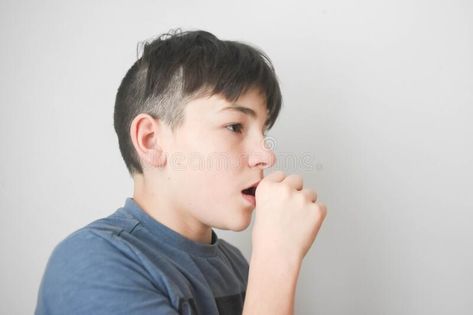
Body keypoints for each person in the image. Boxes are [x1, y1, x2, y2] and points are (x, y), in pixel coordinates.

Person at [35, 29, 327, 315]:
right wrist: (277, 259)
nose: (266, 155)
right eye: (235, 126)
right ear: (151, 140)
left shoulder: (236, 266)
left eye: (263, 132)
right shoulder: (91, 262)